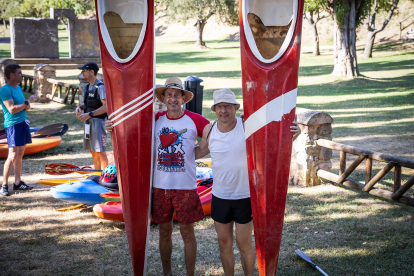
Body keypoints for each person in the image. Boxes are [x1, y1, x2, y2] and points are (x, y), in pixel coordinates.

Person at [106, 77, 210, 276]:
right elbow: (129, 129)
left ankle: (190, 274)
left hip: (185, 186)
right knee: (164, 231)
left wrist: (197, 151)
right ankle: (167, 273)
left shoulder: (194, 119)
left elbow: (213, 132)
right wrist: (112, 127)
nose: (173, 99)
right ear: (163, 98)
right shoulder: (154, 119)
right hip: (160, 186)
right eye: (169, 95)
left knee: (187, 232)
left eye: (177, 95)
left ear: (183, 98)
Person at [195, 88, 301, 276]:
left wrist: (292, 133)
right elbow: (200, 151)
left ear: (236, 107)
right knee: (224, 243)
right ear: (214, 109)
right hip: (219, 196)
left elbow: (271, 139)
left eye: (227, 106)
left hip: (244, 196)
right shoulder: (209, 129)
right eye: (219, 107)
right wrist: (174, 151)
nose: (223, 111)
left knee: (244, 244)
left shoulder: (246, 125)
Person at [0, 64, 37, 196]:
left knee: (20, 153)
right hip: (13, 125)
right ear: (12, 75)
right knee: (13, 155)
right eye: (19, 73)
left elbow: (23, 107)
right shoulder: (5, 90)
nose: (21, 75)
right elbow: (12, 109)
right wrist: (27, 102)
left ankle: (17, 182)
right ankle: (4, 184)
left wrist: (27, 104)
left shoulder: (19, 88)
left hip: (23, 123)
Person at [75, 62, 108, 170]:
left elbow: (106, 107)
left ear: (92, 72)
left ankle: (107, 176)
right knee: (93, 150)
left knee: (100, 151)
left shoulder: (101, 87)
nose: (82, 72)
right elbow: (89, 103)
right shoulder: (88, 86)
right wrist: (80, 107)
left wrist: (89, 114)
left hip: (98, 123)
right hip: (88, 123)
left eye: (84, 70)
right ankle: (97, 174)